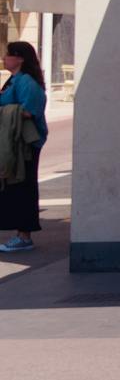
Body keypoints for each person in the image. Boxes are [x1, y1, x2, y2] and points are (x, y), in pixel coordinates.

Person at [0, 41, 49, 253]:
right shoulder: (14, 80)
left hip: (25, 144)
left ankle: (24, 236)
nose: (4, 58)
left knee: (24, 185)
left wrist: (6, 111)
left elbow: (31, 110)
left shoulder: (26, 82)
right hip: (13, 141)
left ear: (19, 58)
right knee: (13, 185)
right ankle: (20, 234)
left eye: (7, 54)